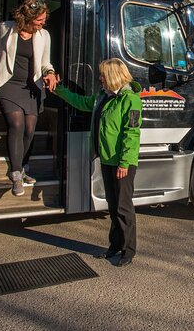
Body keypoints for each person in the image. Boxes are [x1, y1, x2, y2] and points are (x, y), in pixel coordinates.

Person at [53, 58, 142, 267]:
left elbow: (132, 134)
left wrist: (124, 163)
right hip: (107, 159)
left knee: (123, 207)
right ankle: (114, 245)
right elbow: (81, 102)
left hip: (122, 163)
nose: (99, 78)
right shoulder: (102, 96)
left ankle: (129, 250)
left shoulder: (131, 100)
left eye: (102, 74)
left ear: (112, 76)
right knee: (113, 205)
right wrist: (59, 90)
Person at [0, 0, 57, 196]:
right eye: (39, 19)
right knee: (16, 124)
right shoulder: (5, 29)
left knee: (30, 129)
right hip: (8, 85)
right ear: (27, 17)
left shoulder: (44, 35)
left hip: (31, 87)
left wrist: (49, 73)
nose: (43, 23)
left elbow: (45, 63)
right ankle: (15, 174)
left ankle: (23, 165)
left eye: (44, 19)